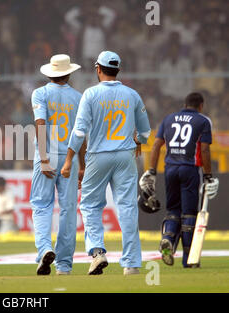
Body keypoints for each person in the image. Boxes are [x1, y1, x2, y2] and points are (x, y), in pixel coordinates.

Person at [61, 51, 151, 276]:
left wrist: (70, 158)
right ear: (118, 70)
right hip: (125, 157)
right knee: (127, 207)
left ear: (98, 69)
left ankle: (98, 252)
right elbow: (146, 132)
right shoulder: (132, 95)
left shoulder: (90, 94)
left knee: (90, 205)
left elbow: (79, 131)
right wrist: (138, 140)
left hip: (98, 155)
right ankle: (131, 264)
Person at [139, 92, 219, 268]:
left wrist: (151, 170)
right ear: (201, 106)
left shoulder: (168, 119)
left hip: (169, 169)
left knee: (173, 211)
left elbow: (156, 145)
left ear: (185, 103)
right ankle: (188, 259)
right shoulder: (203, 121)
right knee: (189, 213)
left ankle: (167, 238)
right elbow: (204, 150)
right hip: (189, 169)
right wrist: (208, 175)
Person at [30, 54, 85, 276]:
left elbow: (40, 123)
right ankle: (64, 265)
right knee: (68, 209)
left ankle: (44, 248)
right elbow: (81, 133)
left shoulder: (40, 93)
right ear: (69, 73)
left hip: (48, 154)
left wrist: (43, 158)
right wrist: (82, 165)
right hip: (70, 156)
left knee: (41, 205)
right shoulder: (79, 97)